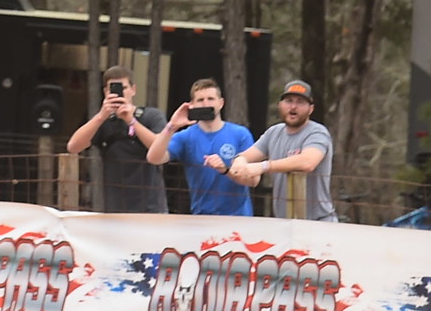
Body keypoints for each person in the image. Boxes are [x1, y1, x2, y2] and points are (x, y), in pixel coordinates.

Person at [65, 65, 168, 213]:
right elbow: (73, 147)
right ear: (106, 92)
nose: (120, 93)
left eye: (123, 88)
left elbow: (159, 147)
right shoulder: (103, 122)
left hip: (151, 207)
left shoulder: (152, 116)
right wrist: (101, 116)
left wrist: (131, 121)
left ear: (133, 90)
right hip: (116, 208)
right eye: (112, 89)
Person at [229, 79, 336, 223]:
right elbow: (246, 156)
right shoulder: (274, 132)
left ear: (311, 109)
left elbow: (308, 162)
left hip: (318, 222)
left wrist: (263, 166)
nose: (293, 107)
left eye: (300, 102)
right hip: (284, 222)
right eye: (289, 101)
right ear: (280, 105)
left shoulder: (317, 132)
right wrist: (239, 162)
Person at [145, 79, 254, 216]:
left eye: (211, 99)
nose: (206, 104)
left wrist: (226, 170)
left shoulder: (240, 134)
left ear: (221, 103)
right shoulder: (185, 137)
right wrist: (172, 126)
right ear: (192, 105)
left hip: (239, 218)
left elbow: (253, 180)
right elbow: (153, 158)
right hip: (202, 217)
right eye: (200, 100)